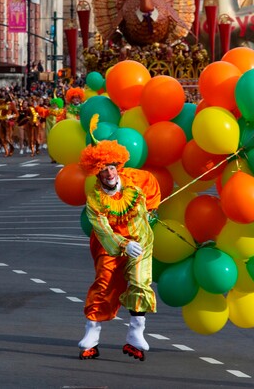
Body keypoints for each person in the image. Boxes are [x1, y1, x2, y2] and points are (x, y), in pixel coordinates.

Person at [78, 140, 161, 361]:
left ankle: (135, 334)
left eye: (112, 168)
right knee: (104, 283)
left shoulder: (134, 178)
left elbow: (152, 183)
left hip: (140, 239)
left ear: (118, 166)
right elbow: (103, 231)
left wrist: (151, 210)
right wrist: (124, 244)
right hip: (110, 245)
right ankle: (91, 335)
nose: (109, 174)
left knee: (140, 281)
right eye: (103, 170)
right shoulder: (95, 199)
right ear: (97, 174)